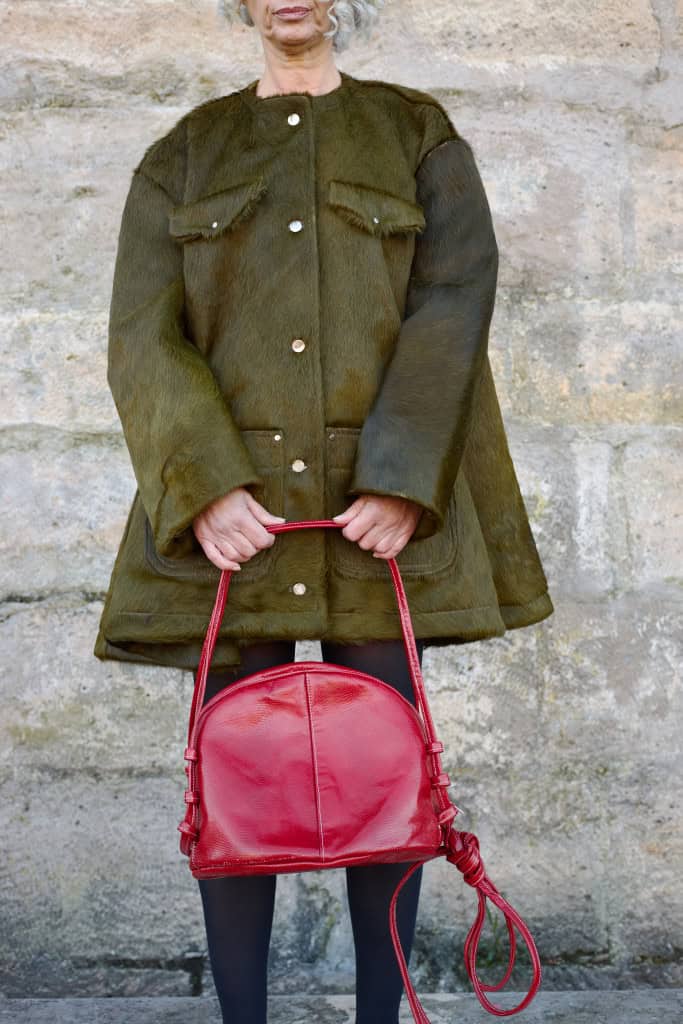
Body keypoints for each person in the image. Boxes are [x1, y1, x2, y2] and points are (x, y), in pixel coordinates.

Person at [93, 1, 554, 1021]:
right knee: (235, 787)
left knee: (387, 783)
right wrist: (203, 484)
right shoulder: (184, 152)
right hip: (237, 528)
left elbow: (453, 296)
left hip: (374, 521)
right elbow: (140, 334)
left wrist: (402, 476)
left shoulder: (413, 133)